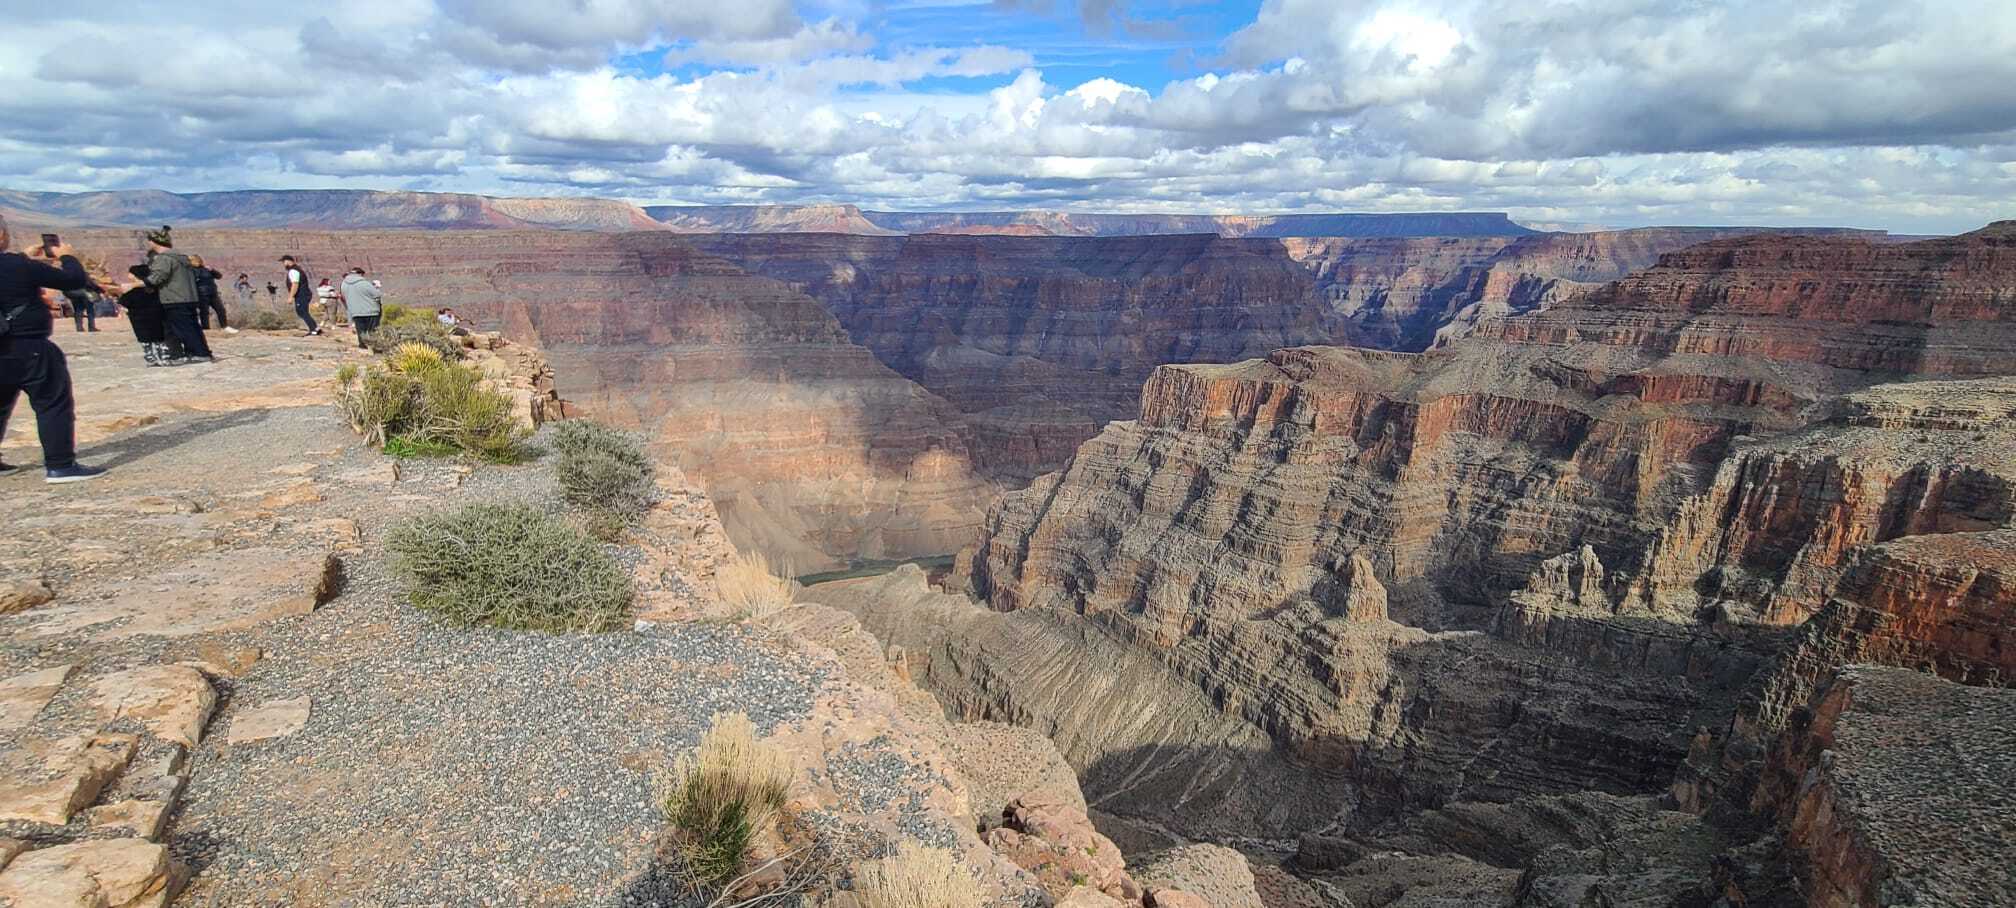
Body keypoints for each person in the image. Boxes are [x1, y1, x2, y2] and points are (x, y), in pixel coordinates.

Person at [0, 214, 109, 483]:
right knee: (52, 402)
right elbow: (73, 280)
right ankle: (61, 465)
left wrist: (23, 258)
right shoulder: (17, 266)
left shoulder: (18, 264)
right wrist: (68, 256)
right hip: (28, 345)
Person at [141, 226, 213, 364]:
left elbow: (158, 277)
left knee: (182, 328)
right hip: (189, 297)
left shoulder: (164, 259)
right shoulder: (182, 257)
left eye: (150, 240)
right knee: (192, 326)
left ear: (154, 242)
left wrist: (142, 283)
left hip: (174, 298)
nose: (148, 243)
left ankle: (199, 354)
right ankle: (196, 353)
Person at [119, 265, 171, 366]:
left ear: (135, 275)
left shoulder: (131, 289)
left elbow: (124, 302)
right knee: (159, 338)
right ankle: (163, 357)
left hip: (138, 318)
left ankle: (151, 358)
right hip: (156, 316)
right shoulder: (155, 289)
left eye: (130, 273)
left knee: (145, 339)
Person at [189, 254, 235, 334]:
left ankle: (224, 326)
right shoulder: (191, 271)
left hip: (213, 293)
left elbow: (219, 276)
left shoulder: (206, 269)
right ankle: (206, 329)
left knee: (220, 309)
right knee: (204, 312)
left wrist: (212, 270)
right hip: (201, 294)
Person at [340, 267, 383, 349]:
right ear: (360, 274)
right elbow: (377, 295)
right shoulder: (365, 283)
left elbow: (344, 297)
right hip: (371, 311)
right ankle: (375, 347)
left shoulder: (343, 284)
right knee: (373, 330)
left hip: (355, 311)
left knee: (360, 330)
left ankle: (363, 346)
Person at [280, 255, 317, 335]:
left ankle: (313, 330)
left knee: (302, 311)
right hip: (304, 294)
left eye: (284, 262)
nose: (283, 264)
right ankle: (315, 328)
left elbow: (295, 284)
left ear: (288, 261)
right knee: (303, 312)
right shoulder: (297, 269)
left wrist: (290, 297)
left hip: (301, 294)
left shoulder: (293, 271)